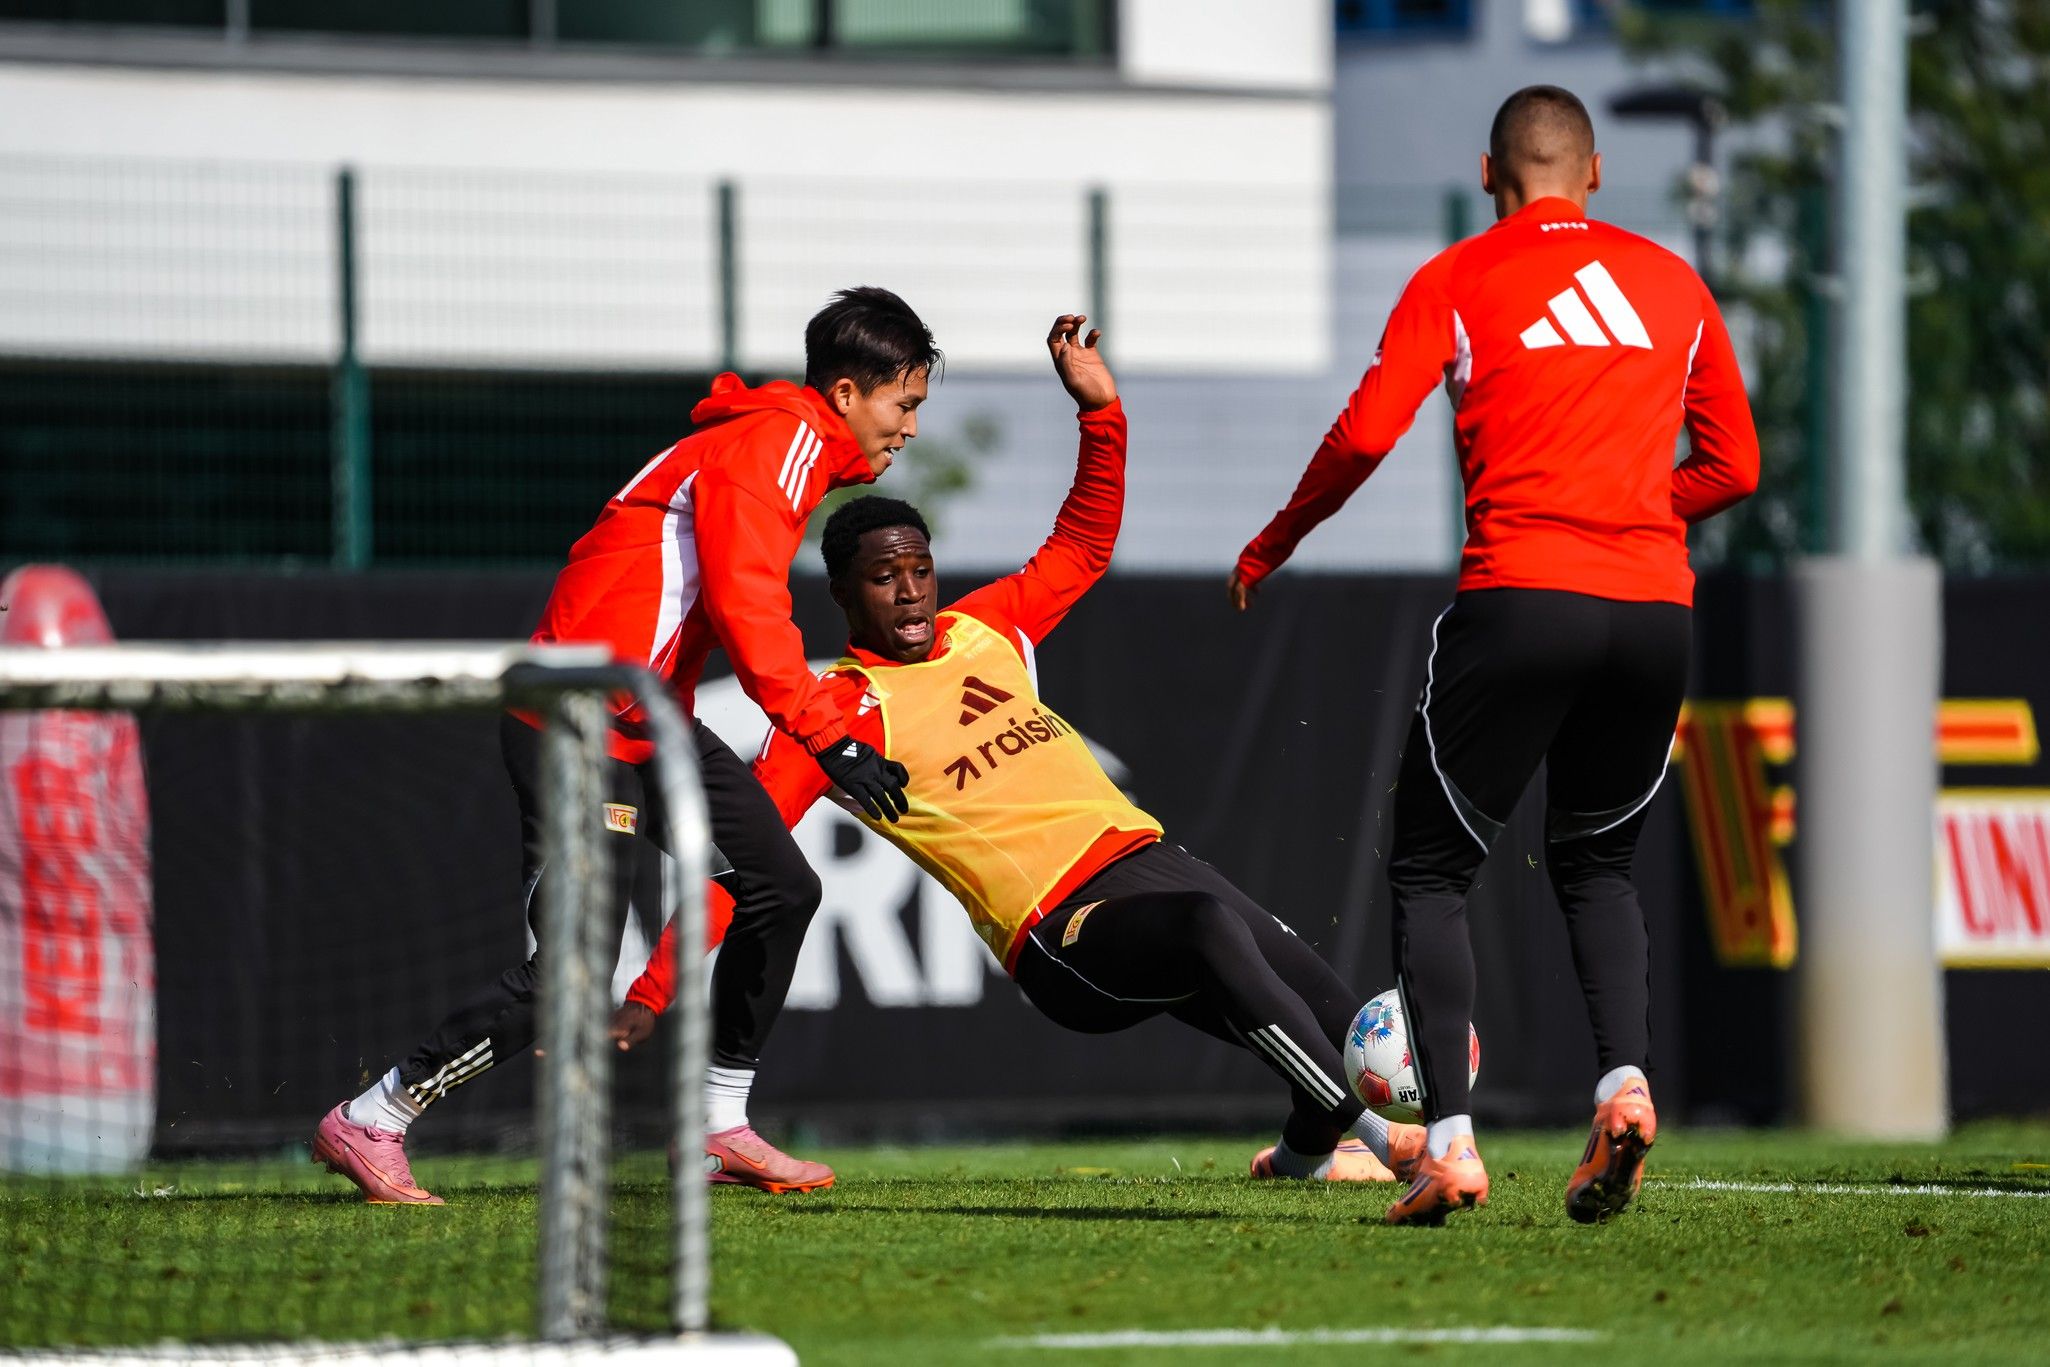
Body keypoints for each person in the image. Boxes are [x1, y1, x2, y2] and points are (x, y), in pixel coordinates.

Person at [612, 315, 1428, 1189]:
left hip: (1150, 863)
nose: (911, 590)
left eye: (919, 569)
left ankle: (1307, 1149)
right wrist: (653, 990)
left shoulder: (985, 628)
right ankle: (1384, 1141)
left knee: (1333, 1010)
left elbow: (1082, 545)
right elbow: (747, 865)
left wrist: (1101, 414)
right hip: (1060, 932)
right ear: (843, 595)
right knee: (1208, 929)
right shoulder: (838, 712)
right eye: (884, 578)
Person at [1231, 86, 1759, 1226]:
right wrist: (1631, 505)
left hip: (1524, 594)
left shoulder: (1457, 278)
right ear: (1596, 172)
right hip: (1654, 608)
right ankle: (1623, 1080)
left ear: (1489, 174)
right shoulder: (1672, 283)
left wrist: (1276, 538)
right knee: (1599, 865)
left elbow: (1368, 430)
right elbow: (1734, 464)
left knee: (1429, 871)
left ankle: (1452, 1146)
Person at [313, 287, 939, 1203]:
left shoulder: (778, 444)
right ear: (847, 392)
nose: (911, 428)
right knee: (569, 977)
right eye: (905, 403)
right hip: (581, 720)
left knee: (781, 888)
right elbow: (746, 604)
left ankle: (718, 1125)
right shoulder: (778, 443)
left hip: (646, 721)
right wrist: (828, 734)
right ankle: (373, 1117)